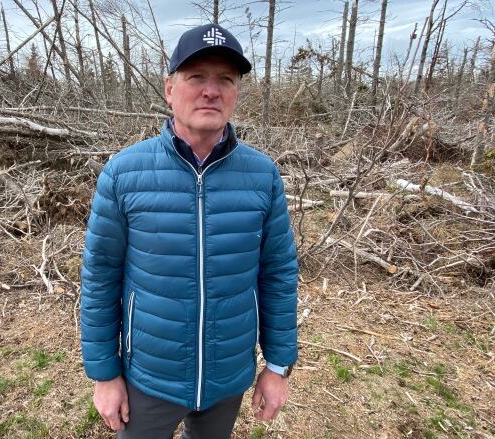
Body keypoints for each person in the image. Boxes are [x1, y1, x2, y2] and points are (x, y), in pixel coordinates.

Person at [80, 23, 298, 438]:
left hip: (227, 377)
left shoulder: (262, 175)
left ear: (235, 93)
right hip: (149, 377)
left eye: (225, 80)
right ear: (169, 88)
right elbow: (100, 278)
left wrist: (277, 366)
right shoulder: (124, 174)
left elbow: (279, 274)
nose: (210, 90)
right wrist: (105, 375)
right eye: (196, 77)